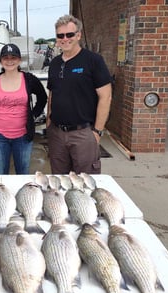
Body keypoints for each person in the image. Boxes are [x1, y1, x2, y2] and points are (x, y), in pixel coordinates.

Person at [46, 14, 112, 175]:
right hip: (57, 133)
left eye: (69, 34)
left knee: (85, 184)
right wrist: (49, 123)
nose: (65, 39)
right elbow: (52, 95)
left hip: (83, 134)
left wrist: (97, 132)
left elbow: (106, 97)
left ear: (78, 35)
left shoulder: (93, 61)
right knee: (58, 183)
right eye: (60, 35)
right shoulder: (54, 64)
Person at [0, 43, 47, 175]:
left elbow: (43, 97)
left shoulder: (29, 79)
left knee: (23, 173)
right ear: (1, 61)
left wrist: (33, 115)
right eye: (5, 57)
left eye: (13, 57)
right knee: (1, 174)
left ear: (19, 60)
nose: (9, 61)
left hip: (23, 137)